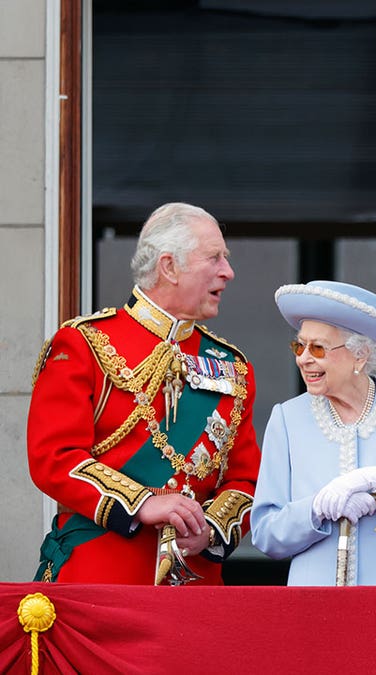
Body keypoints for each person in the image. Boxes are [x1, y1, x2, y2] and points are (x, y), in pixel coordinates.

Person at [28, 202, 260, 584]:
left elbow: (247, 480)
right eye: (214, 258)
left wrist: (211, 530)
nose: (228, 271)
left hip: (195, 585)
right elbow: (53, 457)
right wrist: (143, 504)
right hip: (100, 577)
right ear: (169, 267)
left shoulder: (233, 366)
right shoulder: (86, 343)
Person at [250, 281, 376, 586]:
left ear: (359, 355)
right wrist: (316, 508)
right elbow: (266, 534)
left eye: (317, 347)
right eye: (299, 345)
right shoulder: (287, 418)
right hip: (314, 609)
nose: (303, 358)